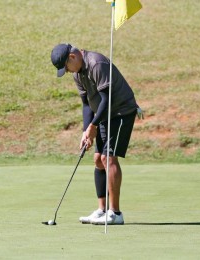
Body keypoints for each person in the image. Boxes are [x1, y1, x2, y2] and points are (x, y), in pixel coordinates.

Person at [50, 43, 142, 225]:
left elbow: (106, 100)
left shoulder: (96, 64)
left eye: (66, 67)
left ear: (72, 57)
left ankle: (115, 213)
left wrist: (93, 126)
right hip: (103, 115)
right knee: (98, 159)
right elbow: (87, 104)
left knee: (109, 158)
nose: (67, 72)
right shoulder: (78, 73)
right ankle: (102, 210)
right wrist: (87, 131)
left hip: (120, 112)